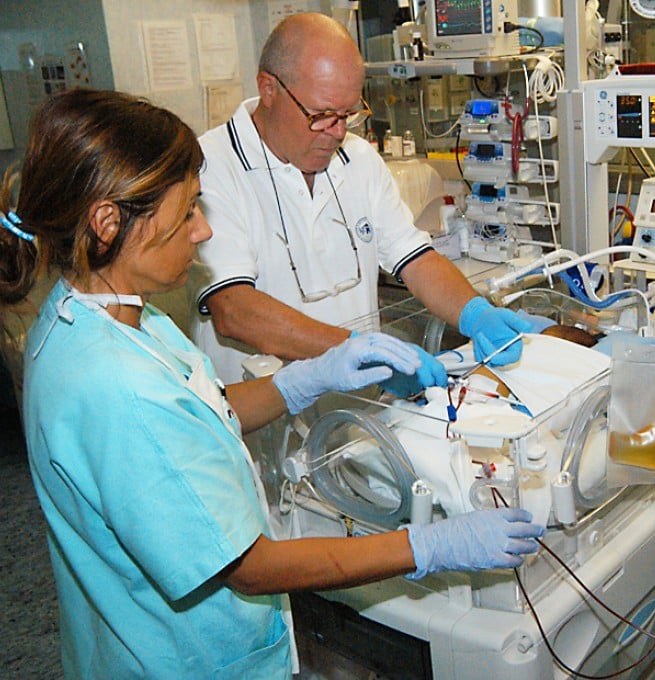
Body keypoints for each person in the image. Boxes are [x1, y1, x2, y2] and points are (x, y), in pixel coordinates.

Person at [0, 88, 544, 678]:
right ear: (107, 223)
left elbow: (201, 409)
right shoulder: (116, 385)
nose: (203, 231)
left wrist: (302, 381)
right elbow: (252, 567)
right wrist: (432, 547)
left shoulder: (105, 315)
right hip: (185, 660)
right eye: (186, 213)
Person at [190, 11, 532, 387]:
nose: (337, 132)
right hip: (263, 424)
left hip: (359, 412)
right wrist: (357, 352)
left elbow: (415, 259)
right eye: (321, 115)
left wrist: (475, 314)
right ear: (269, 89)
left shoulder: (358, 159)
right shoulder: (211, 166)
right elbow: (234, 309)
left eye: (348, 114)